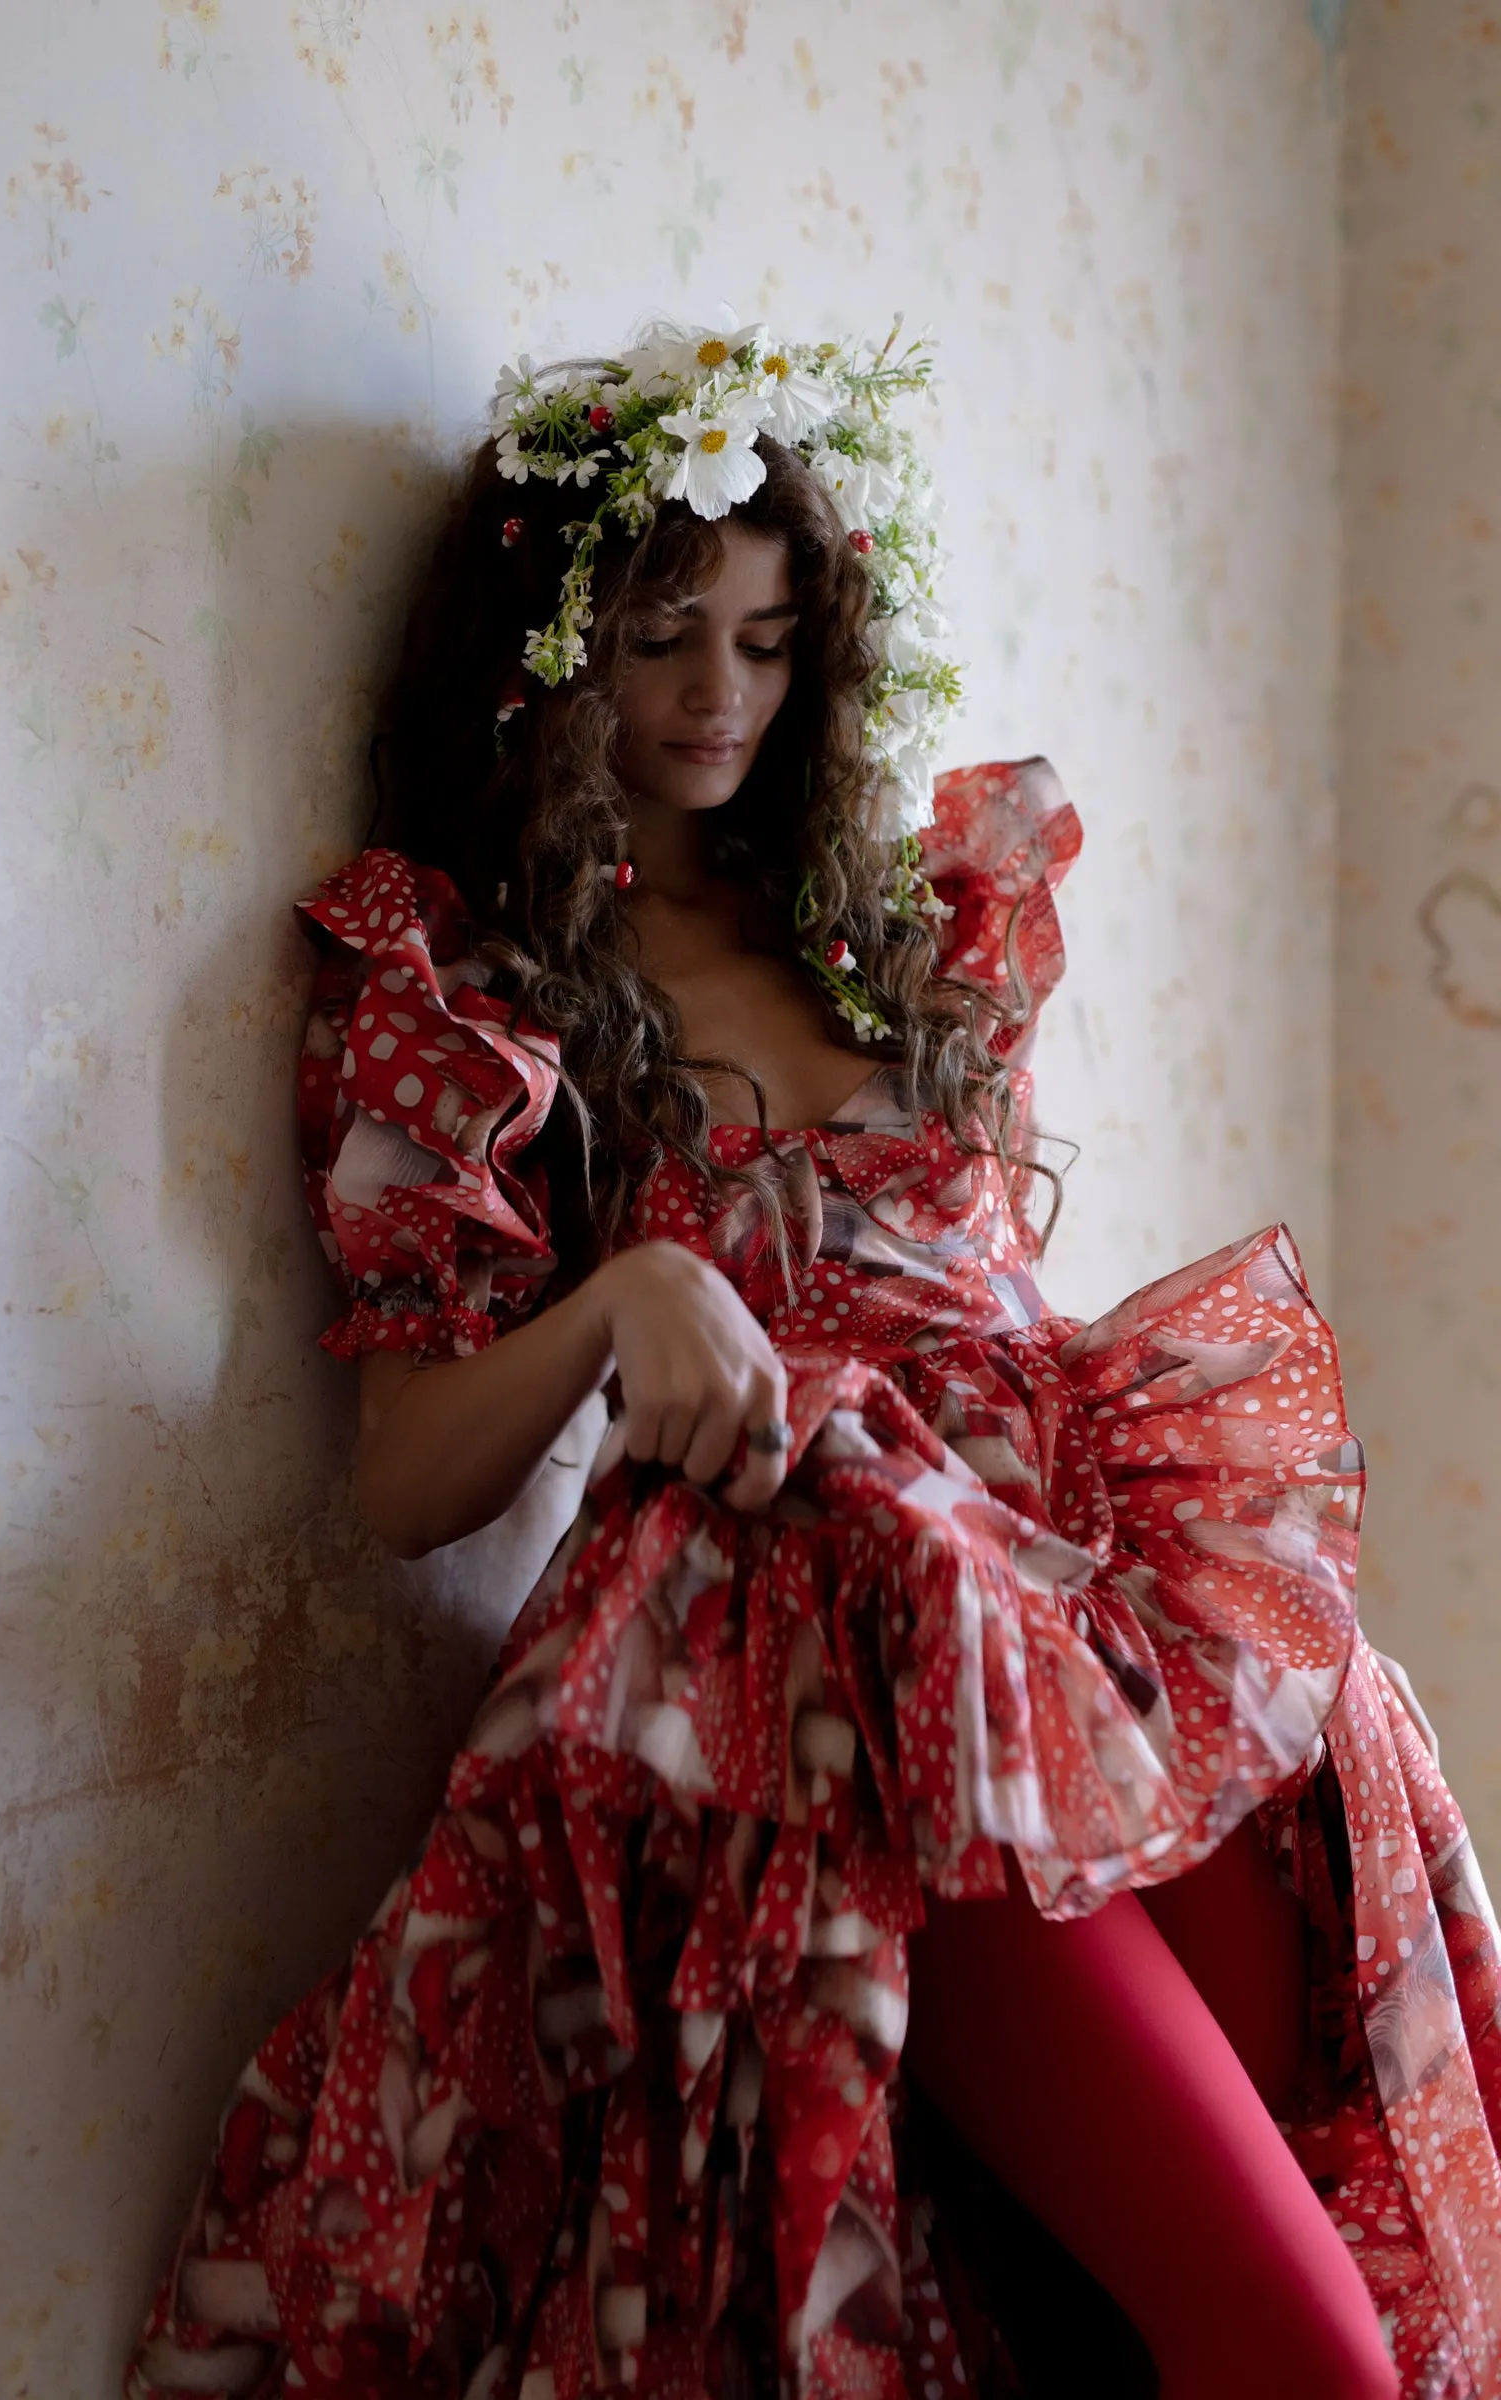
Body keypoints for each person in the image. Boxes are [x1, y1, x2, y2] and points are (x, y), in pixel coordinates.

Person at [129, 320, 1501, 2400]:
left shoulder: (890, 924)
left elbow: (982, 1306)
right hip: (841, 1692)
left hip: (1098, 1620)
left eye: (767, 644)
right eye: (665, 639)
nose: (716, 702)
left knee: (1340, 2251)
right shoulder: (470, 987)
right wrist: (615, 1303)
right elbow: (404, 1480)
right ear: (546, 643)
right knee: (1286, 2346)